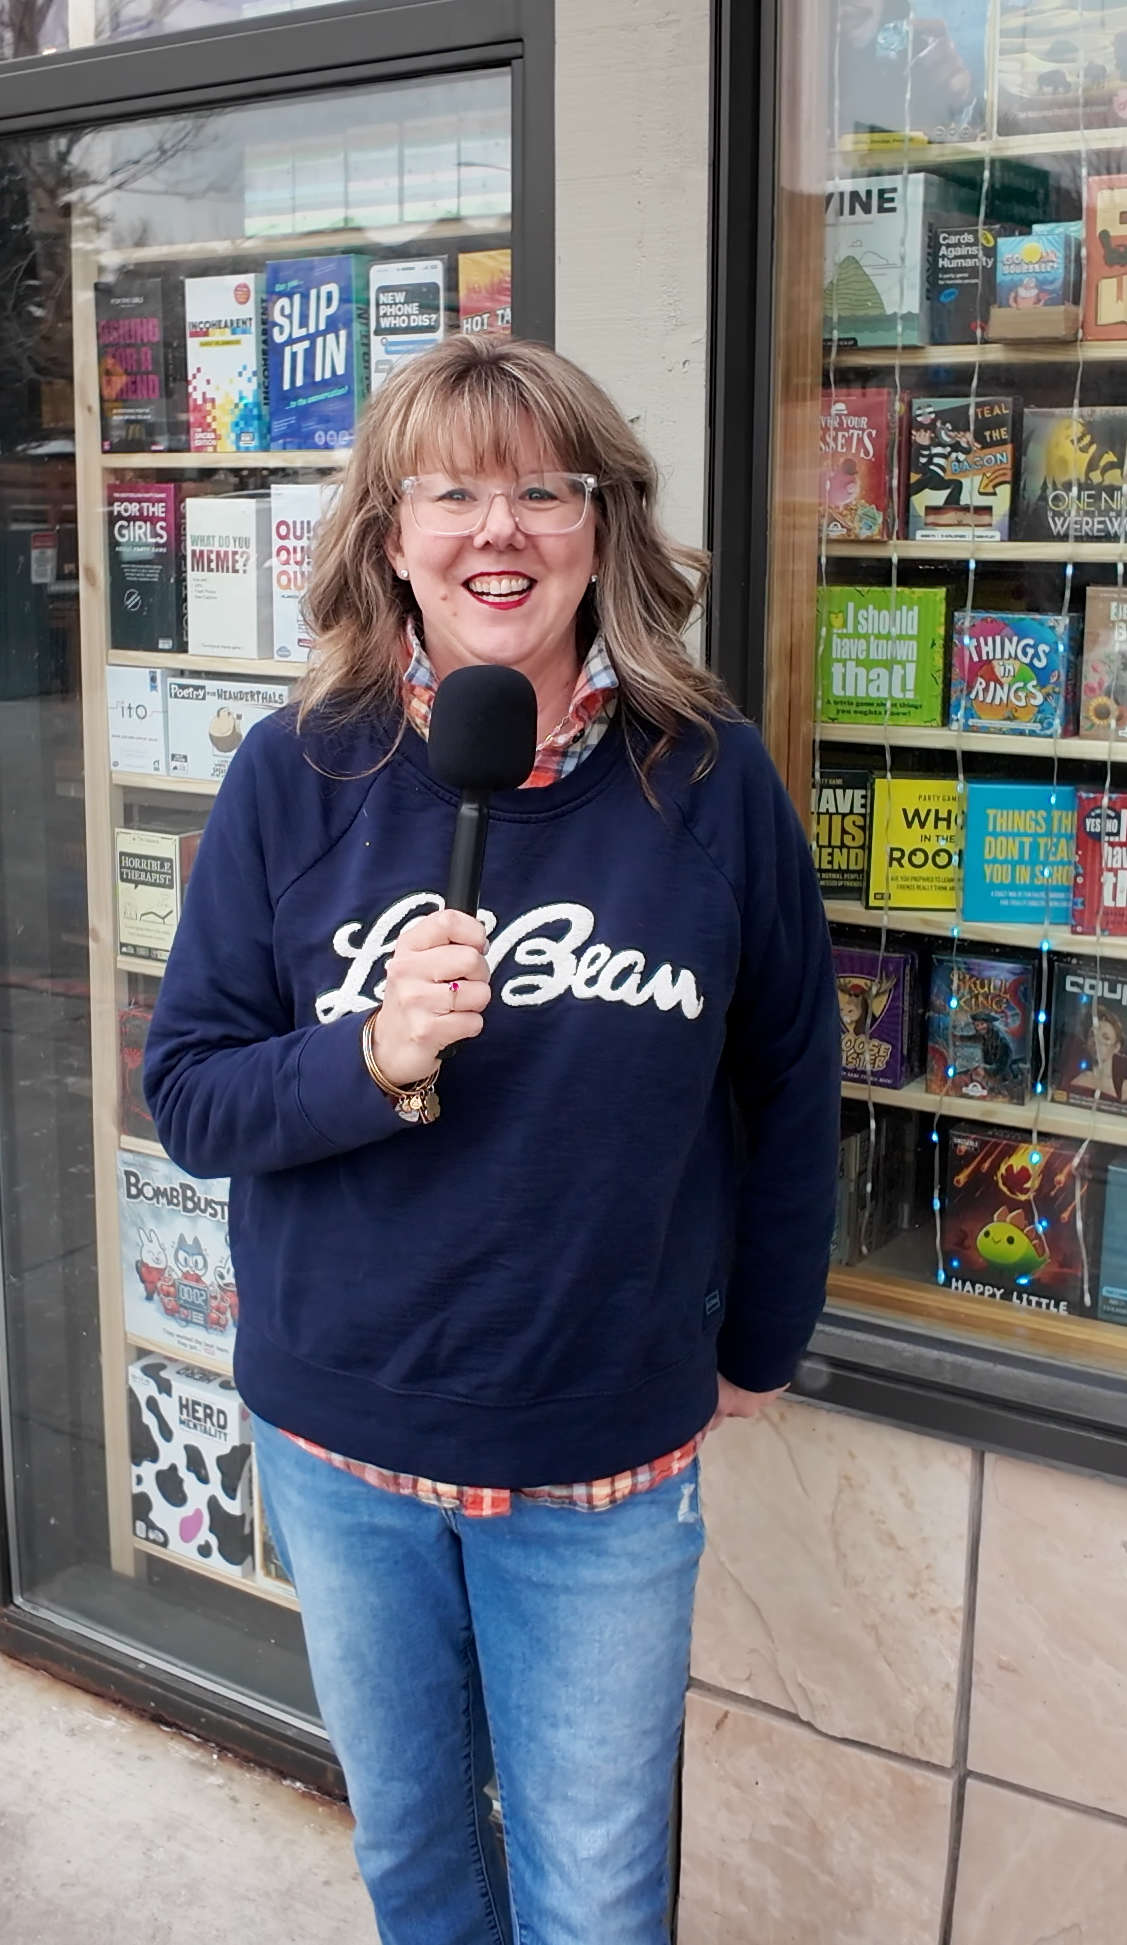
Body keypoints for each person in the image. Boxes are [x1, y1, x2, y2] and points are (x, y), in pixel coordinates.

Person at [142, 335, 838, 1945]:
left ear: (604, 527)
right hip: (342, 1440)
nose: (497, 530)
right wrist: (370, 1058)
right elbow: (190, 1095)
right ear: (392, 534)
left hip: (599, 1459)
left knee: (596, 1901)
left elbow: (792, 1079)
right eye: (452, 492)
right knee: (418, 1867)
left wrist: (761, 1338)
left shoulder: (710, 783)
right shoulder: (295, 774)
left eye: (543, 489)